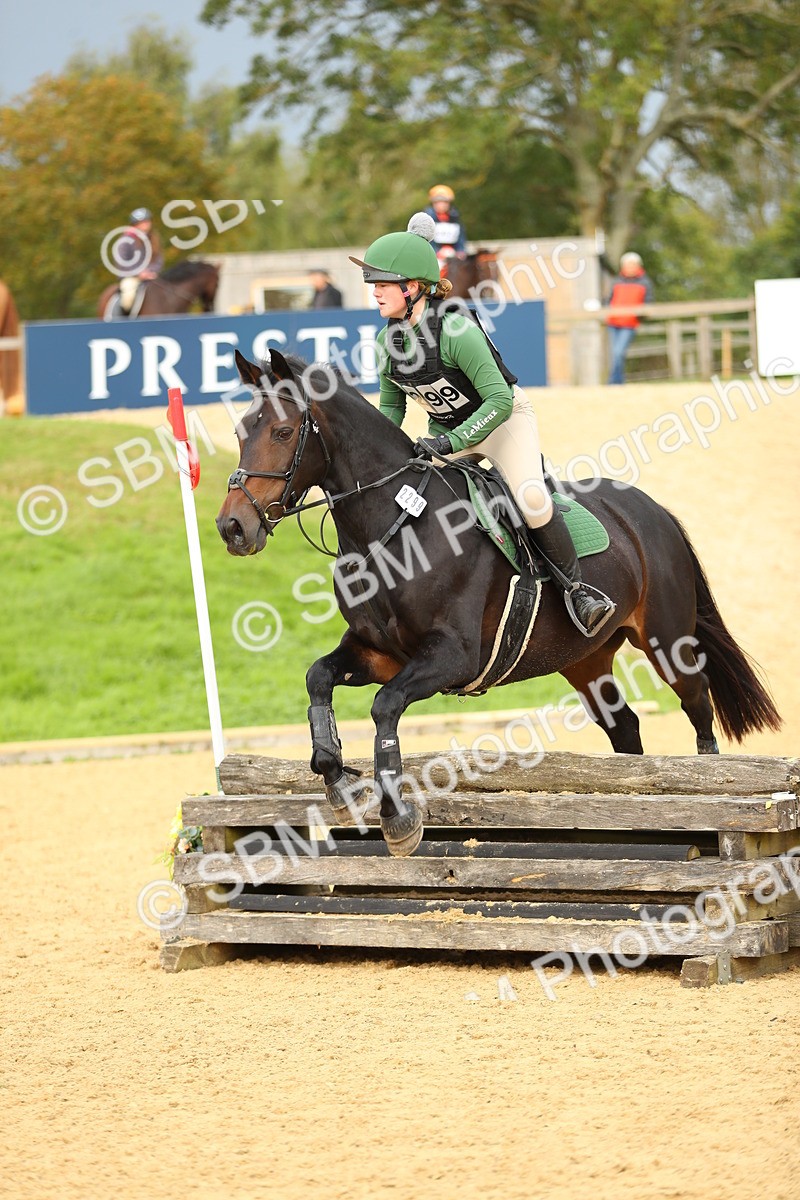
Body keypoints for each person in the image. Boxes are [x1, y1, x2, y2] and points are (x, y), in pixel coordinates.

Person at [349, 214, 615, 637]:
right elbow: (391, 406)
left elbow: (500, 399)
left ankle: (579, 592)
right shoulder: (387, 341)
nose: (375, 291)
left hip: (503, 423)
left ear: (412, 287)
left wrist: (450, 440)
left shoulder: (455, 330)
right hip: (449, 436)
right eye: (373, 284)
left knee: (530, 500)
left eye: (382, 283)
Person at [605, 252, 653, 385]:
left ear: (638, 266)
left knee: (618, 352)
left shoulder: (645, 282)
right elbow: (609, 300)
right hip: (613, 322)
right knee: (615, 354)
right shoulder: (617, 281)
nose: (630, 267)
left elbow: (647, 303)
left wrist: (640, 315)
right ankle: (618, 382)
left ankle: (613, 382)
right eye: (627, 265)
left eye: (632, 265)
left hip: (629, 324)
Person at [116, 207, 163, 315]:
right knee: (128, 297)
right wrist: (139, 273)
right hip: (131, 277)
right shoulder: (125, 240)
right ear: (135, 224)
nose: (146, 224)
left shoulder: (153, 239)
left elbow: (159, 259)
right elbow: (122, 262)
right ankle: (124, 320)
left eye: (147, 221)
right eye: (143, 222)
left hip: (151, 277)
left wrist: (151, 272)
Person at [423, 185, 468, 273]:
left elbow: (461, 238)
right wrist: (437, 252)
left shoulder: (455, 219)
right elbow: (425, 240)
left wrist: (460, 251)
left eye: (444, 202)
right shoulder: (426, 220)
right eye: (438, 202)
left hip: (453, 255)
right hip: (433, 256)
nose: (441, 205)